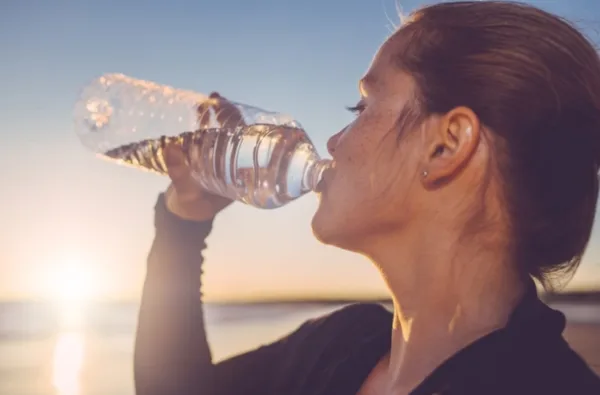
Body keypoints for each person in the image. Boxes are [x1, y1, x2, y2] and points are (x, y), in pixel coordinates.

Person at [133, 1, 600, 394]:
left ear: (447, 145)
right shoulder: (343, 344)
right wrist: (184, 221)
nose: (333, 141)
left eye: (362, 107)